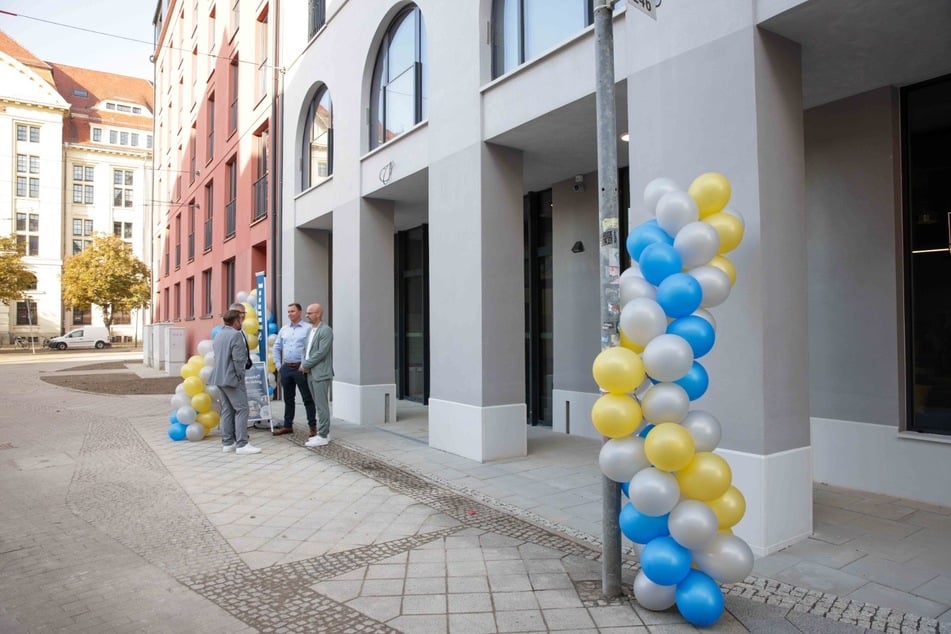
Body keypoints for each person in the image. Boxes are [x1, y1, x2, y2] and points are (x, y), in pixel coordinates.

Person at [209, 307, 261, 455]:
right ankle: (242, 444)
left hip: (219, 378)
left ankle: (228, 442)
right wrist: (240, 376)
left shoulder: (219, 335)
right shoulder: (236, 335)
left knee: (227, 410)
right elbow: (239, 360)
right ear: (235, 321)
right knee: (242, 409)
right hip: (232, 378)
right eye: (240, 320)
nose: (242, 322)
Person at [271, 303, 317, 437]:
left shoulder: (308, 328)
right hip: (286, 368)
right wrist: (278, 365)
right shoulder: (284, 329)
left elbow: (311, 348)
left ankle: (312, 427)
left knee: (307, 398)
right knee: (288, 398)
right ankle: (287, 425)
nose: (290, 313)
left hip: (301, 369)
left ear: (300, 312)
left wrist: (305, 365)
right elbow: (277, 347)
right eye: (288, 311)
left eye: (293, 311)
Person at [301, 303, 333, 447]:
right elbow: (305, 350)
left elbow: (321, 352)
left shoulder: (325, 330)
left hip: (320, 373)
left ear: (318, 314)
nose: (307, 315)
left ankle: (323, 435)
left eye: (310, 313)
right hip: (310, 372)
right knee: (316, 404)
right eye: (307, 313)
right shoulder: (310, 330)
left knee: (322, 406)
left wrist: (306, 365)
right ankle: (323, 432)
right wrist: (304, 363)